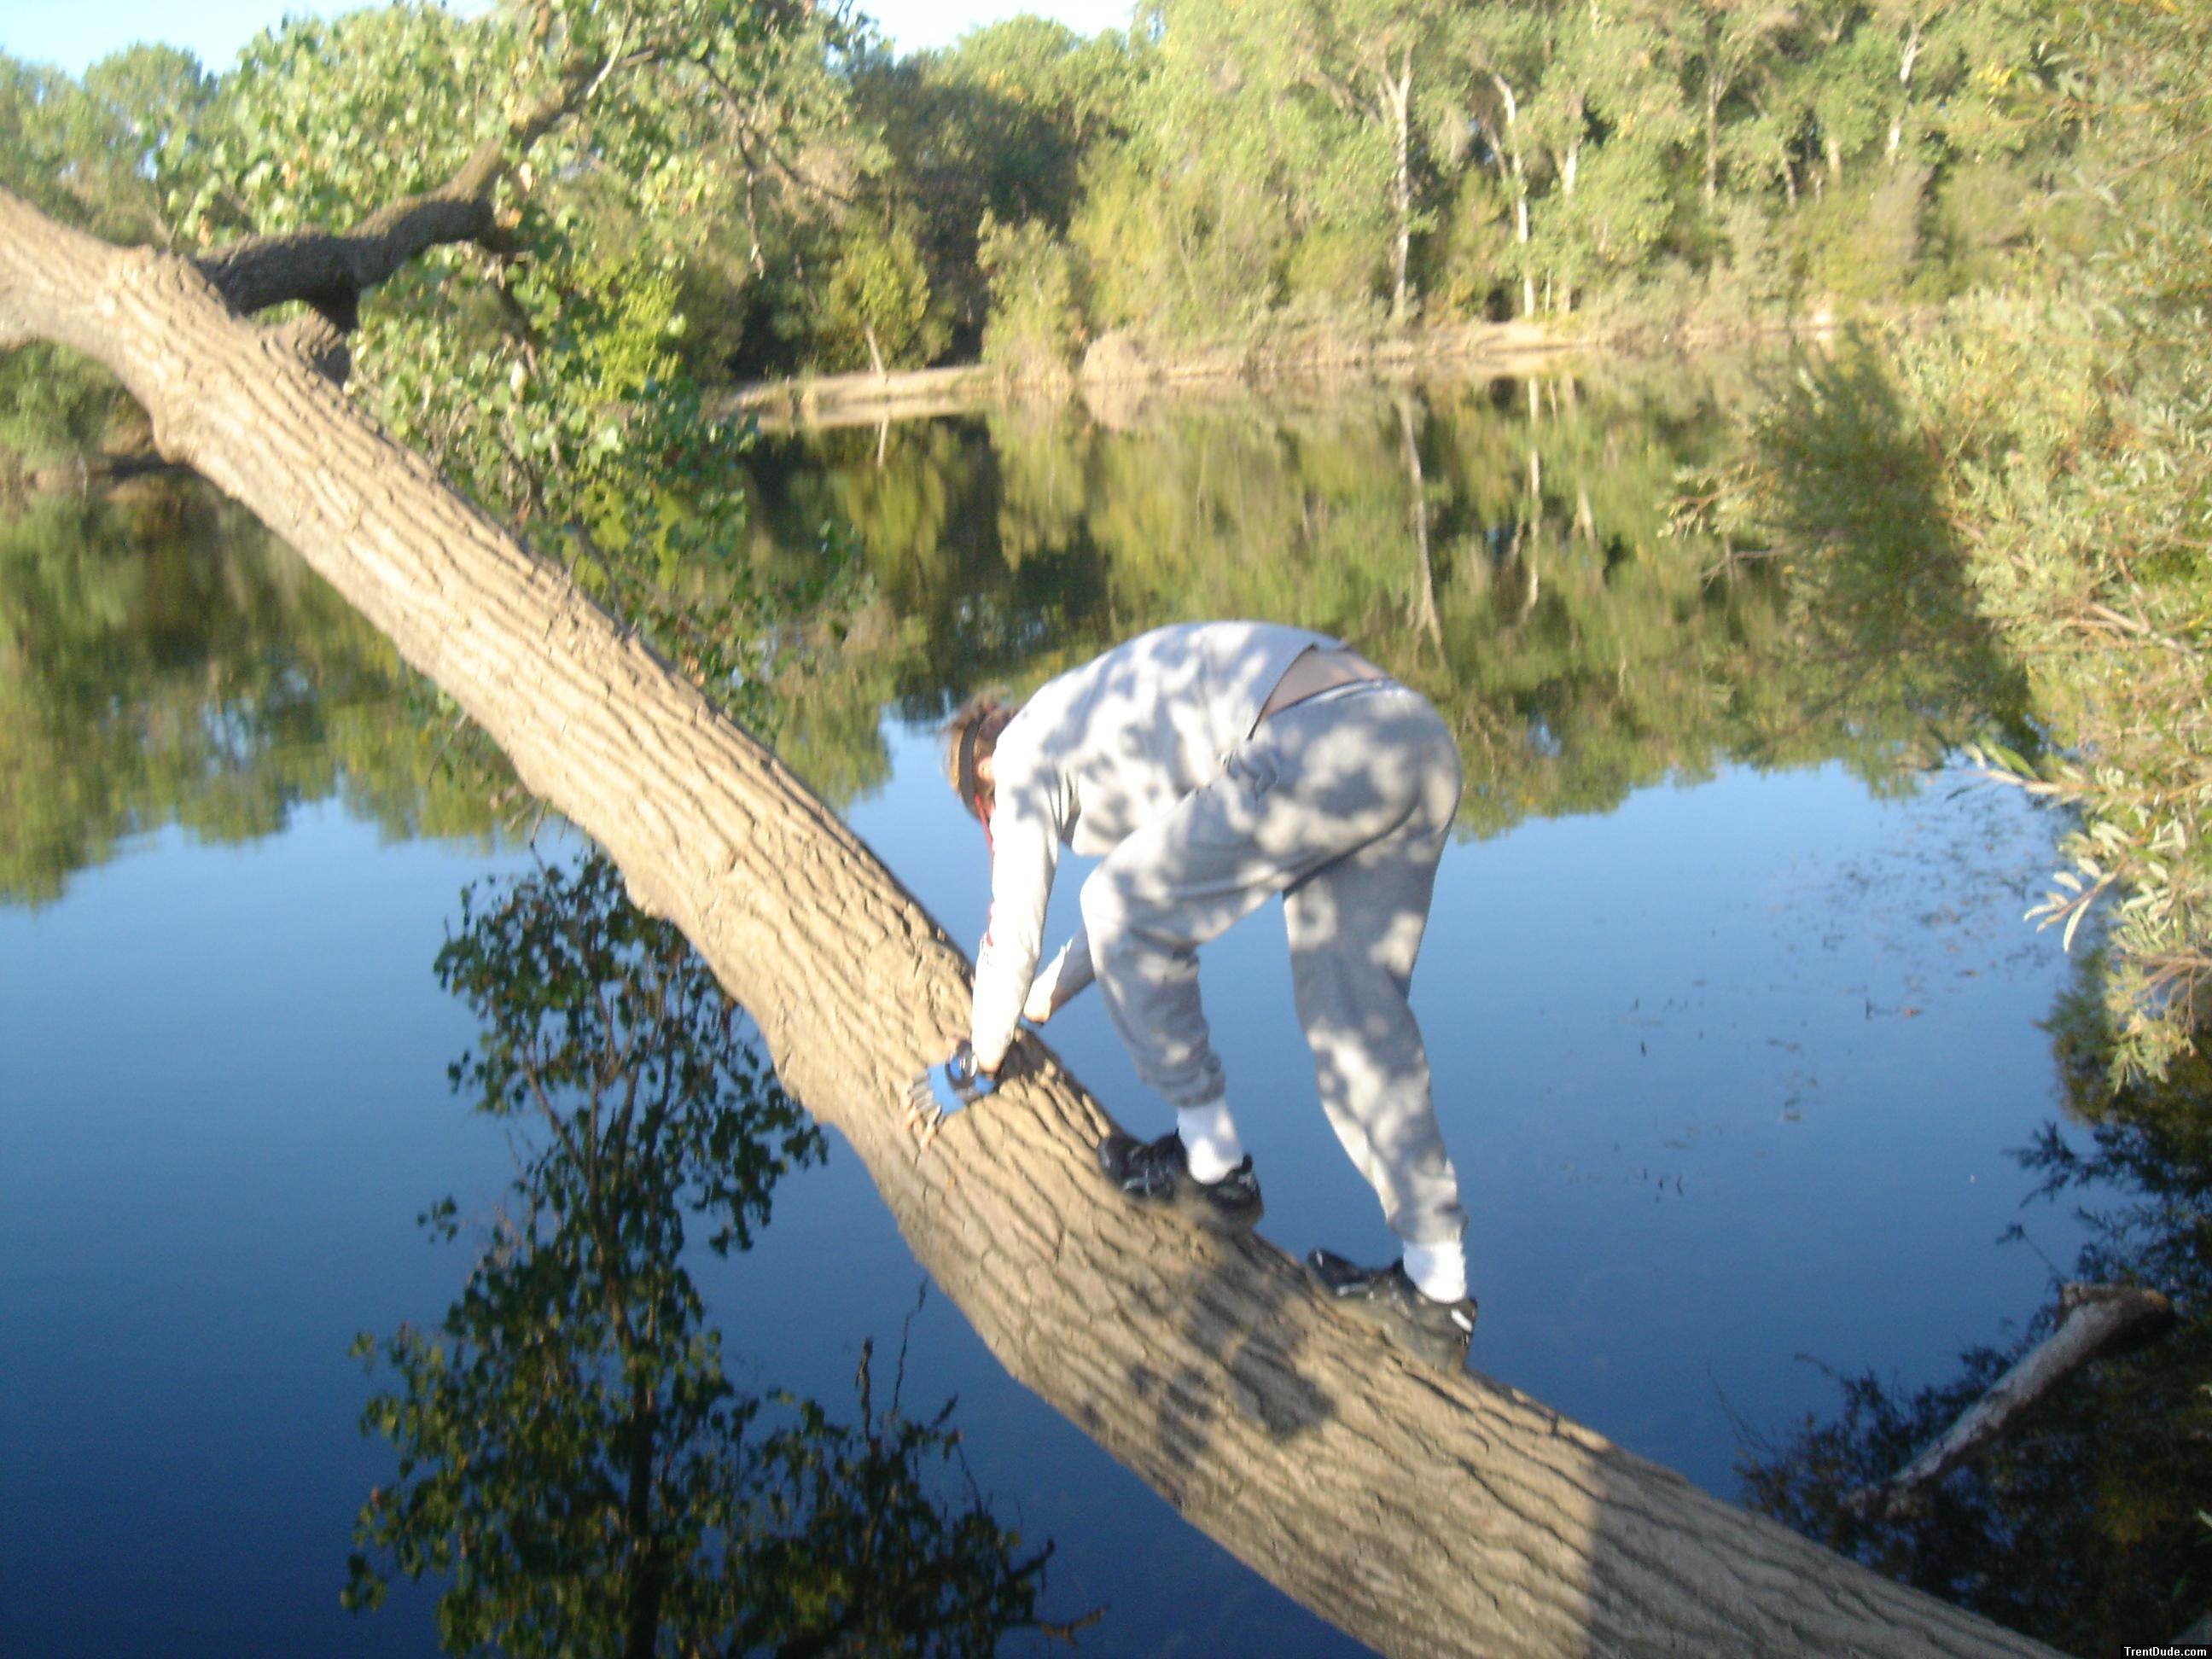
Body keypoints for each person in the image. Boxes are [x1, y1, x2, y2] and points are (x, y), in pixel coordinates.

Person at [905, 620, 1477, 1366]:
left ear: (980, 782)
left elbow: (1017, 929)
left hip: (1315, 742)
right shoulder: (1096, 709)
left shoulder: (1017, 760)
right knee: (1356, 1024)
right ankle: (1439, 1288)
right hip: (1408, 735)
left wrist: (977, 1060)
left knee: (1120, 904)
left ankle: (1213, 1168)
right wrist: (1046, 995)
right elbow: (1155, 882)